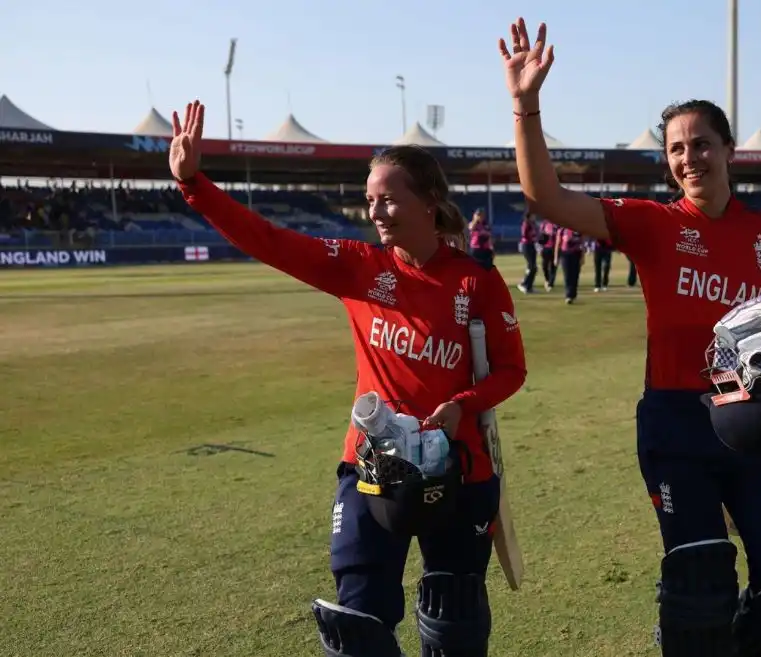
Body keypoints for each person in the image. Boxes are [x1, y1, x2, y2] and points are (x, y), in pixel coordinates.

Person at [498, 19, 761, 656]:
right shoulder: (650, 224)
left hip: (756, 422)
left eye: (702, 144)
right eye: (677, 149)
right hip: (677, 423)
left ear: (729, 149)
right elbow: (543, 195)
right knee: (698, 585)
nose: (690, 158)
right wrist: (526, 104)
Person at [168, 101, 526, 657]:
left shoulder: (476, 281)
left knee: (454, 615)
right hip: (372, 464)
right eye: (370, 201)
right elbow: (268, 239)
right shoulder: (360, 266)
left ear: (429, 201)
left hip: (460, 469)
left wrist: (462, 402)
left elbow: (511, 368)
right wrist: (195, 184)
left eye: (387, 198)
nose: (376, 212)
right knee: (356, 621)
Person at [555, 224, 585, 304]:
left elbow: (582, 244)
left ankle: (573, 294)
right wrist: (556, 258)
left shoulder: (579, 230)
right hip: (566, 254)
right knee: (568, 275)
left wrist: (582, 257)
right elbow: (558, 244)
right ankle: (568, 296)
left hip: (576, 254)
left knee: (575, 275)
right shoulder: (562, 230)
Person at [518, 210, 540, 293]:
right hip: (526, 246)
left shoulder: (534, 224)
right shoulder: (526, 224)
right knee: (531, 266)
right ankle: (523, 284)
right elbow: (525, 235)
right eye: (533, 216)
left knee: (534, 267)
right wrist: (534, 236)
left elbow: (537, 234)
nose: (534, 217)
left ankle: (529, 286)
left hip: (532, 245)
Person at [537, 216, 558, 292]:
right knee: (544, 265)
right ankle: (547, 279)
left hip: (554, 248)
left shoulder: (557, 225)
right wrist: (539, 248)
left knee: (553, 266)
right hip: (545, 248)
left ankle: (551, 284)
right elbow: (540, 237)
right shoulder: (544, 224)